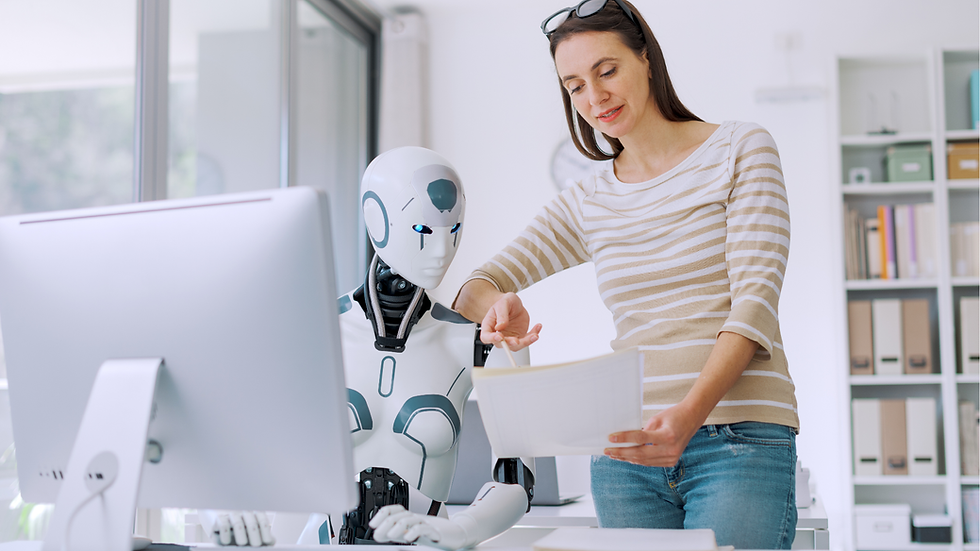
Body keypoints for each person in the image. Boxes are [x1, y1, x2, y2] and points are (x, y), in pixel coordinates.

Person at [452, 1, 800, 549]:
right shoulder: (590, 199)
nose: (594, 98)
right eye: (575, 86)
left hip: (739, 438)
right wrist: (497, 306)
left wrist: (687, 416)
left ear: (646, 59)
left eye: (606, 70)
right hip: (625, 457)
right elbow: (476, 284)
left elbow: (754, 304)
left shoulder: (739, 148)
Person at [201, 146, 534, 548]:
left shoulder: (483, 343)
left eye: (454, 230)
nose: (442, 251)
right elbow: (217, 440)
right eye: (424, 230)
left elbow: (517, 480)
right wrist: (224, 506)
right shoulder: (308, 329)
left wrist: (463, 529)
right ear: (376, 219)